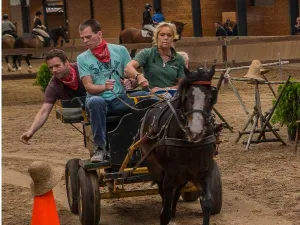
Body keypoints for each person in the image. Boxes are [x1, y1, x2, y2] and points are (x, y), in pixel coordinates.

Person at [77, 19, 144, 163]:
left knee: (146, 98)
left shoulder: (120, 50)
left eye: (88, 37)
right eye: (82, 38)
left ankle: (144, 142)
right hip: (97, 102)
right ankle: (100, 148)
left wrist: (131, 82)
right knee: (96, 101)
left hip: (119, 99)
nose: (85, 41)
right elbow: (88, 87)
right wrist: (104, 87)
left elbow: (129, 75)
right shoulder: (82, 58)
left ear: (99, 34)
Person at [20, 49, 86, 144]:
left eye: (57, 66)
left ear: (67, 62)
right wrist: (31, 131)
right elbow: (44, 111)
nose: (54, 70)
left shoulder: (83, 68)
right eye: (51, 68)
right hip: (86, 114)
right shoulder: (54, 85)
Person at [124, 22, 185, 93]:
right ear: (157, 37)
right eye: (162, 35)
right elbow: (128, 67)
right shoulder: (147, 53)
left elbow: (182, 84)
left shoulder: (179, 58)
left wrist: (164, 89)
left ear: (173, 38)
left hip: (171, 96)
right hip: (150, 95)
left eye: (169, 35)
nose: (166, 38)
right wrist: (139, 76)